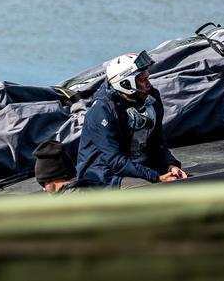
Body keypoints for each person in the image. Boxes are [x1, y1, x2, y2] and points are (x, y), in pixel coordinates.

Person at [75, 51, 187, 188]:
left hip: (138, 166)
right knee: (148, 190)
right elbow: (115, 161)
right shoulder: (102, 111)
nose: (149, 85)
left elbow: (157, 142)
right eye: (143, 80)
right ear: (126, 84)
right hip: (105, 175)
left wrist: (171, 165)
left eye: (148, 78)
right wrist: (156, 177)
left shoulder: (152, 97)